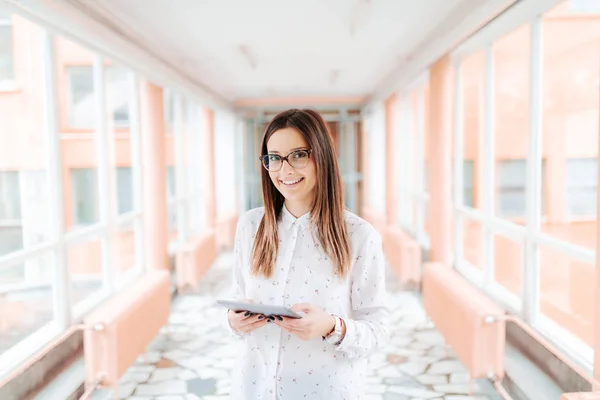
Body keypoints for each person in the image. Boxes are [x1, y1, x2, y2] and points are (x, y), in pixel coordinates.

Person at [226, 108, 389, 399]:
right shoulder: (250, 226)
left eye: (298, 155)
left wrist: (331, 326)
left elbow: (378, 331)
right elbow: (238, 299)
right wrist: (233, 320)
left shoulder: (360, 236)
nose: (284, 170)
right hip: (253, 387)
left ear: (322, 157)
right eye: (274, 157)